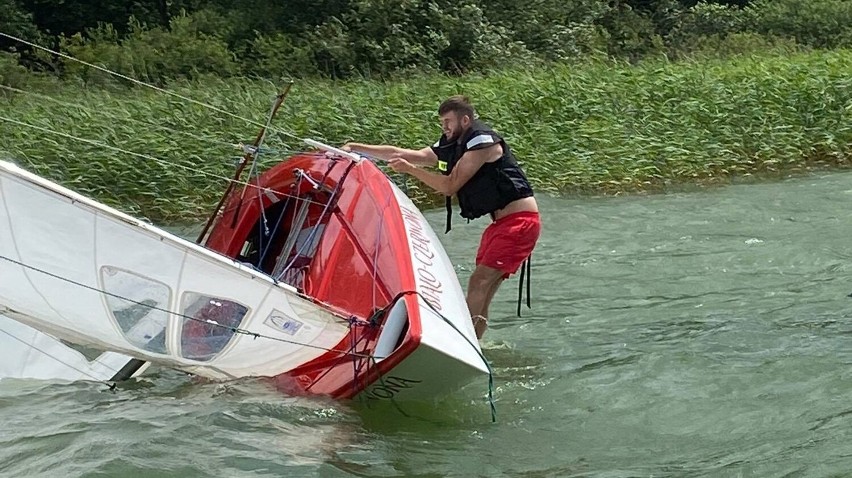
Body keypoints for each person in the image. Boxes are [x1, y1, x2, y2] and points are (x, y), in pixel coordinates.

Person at [344, 95, 540, 339]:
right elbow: (403, 153)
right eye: (442, 122)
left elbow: (449, 186)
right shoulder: (455, 144)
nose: (444, 127)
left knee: (479, 282)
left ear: (465, 120)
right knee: (483, 290)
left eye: (448, 121)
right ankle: (475, 344)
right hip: (501, 224)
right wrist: (355, 148)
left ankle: (461, 341)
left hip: (519, 224)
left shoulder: (482, 143)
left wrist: (410, 170)